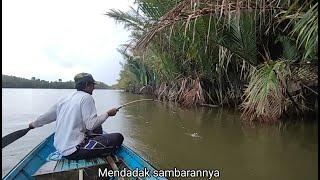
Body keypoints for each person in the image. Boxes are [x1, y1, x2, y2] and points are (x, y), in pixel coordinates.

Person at [28, 73, 124, 160]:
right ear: (87, 85)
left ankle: (91, 142)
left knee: (98, 126)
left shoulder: (65, 98)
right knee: (118, 137)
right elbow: (91, 125)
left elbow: (46, 117)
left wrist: (33, 124)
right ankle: (97, 149)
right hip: (74, 151)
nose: (94, 88)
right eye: (92, 85)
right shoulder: (87, 97)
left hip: (59, 147)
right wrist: (108, 114)